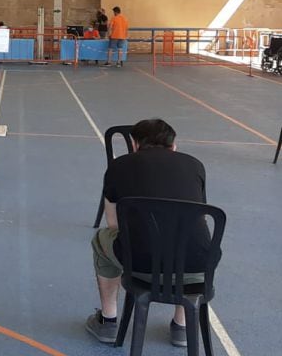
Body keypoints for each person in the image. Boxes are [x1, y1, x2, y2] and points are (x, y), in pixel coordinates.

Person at [85, 119, 209, 348]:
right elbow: (197, 214)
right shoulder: (196, 165)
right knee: (189, 241)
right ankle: (181, 327)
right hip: (198, 263)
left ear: (134, 144)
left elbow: (113, 225)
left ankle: (108, 320)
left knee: (100, 241)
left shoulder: (118, 166)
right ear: (174, 145)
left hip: (140, 263)